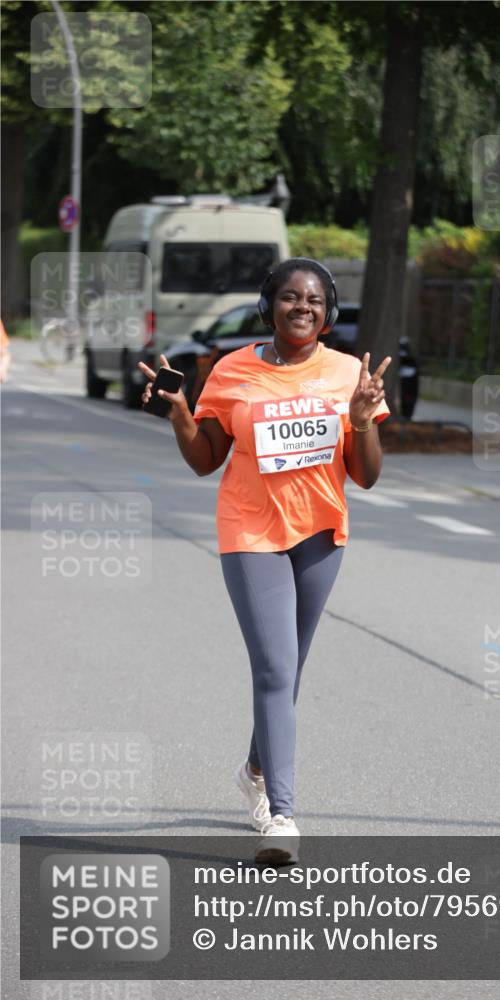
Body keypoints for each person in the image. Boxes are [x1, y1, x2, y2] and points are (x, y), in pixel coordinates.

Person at [139, 257, 391, 863]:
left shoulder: (346, 374)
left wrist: (361, 423)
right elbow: (206, 459)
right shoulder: (232, 371)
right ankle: (282, 815)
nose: (301, 308)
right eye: (289, 298)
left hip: (321, 533)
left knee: (291, 667)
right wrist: (179, 414)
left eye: (313, 301)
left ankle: (256, 764)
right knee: (275, 669)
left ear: (327, 313)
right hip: (250, 530)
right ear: (269, 306)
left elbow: (368, 475)